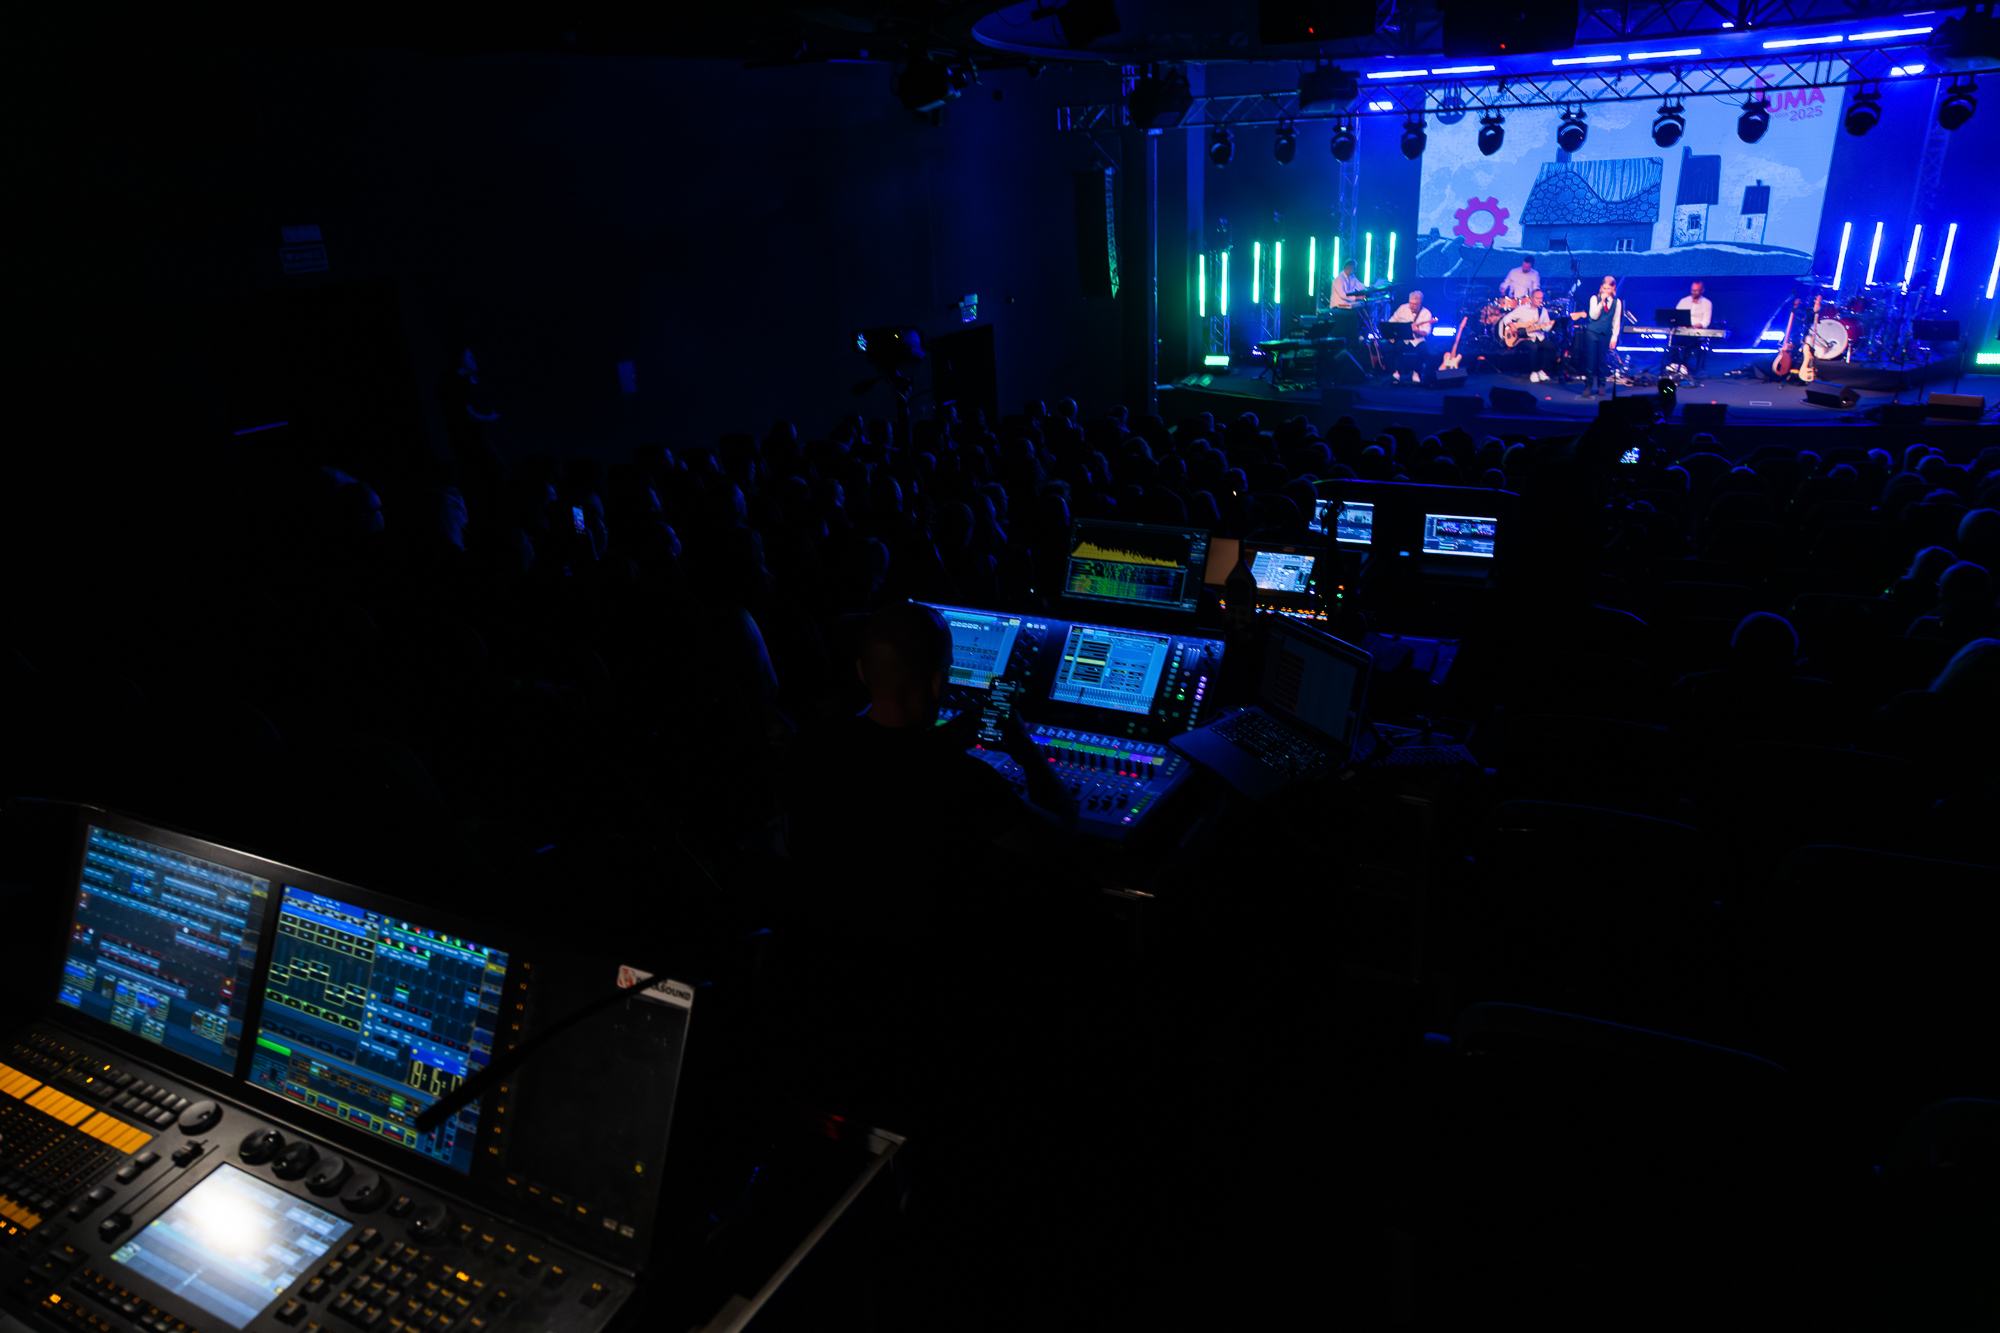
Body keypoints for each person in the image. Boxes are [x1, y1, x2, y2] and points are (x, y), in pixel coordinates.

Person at [1570, 275, 1621, 398]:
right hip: (1592, 332)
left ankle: (1601, 385)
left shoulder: (1617, 302)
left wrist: (1614, 337)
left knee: (1602, 361)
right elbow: (1593, 316)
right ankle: (1588, 386)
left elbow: (1616, 320)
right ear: (1601, 287)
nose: (1606, 291)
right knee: (1591, 360)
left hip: (1605, 334)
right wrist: (1601, 302)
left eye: (1608, 288)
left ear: (1613, 288)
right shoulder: (1594, 298)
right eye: (1604, 288)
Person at [1498, 289, 1558, 382]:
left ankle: (1541, 370)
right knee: (1534, 347)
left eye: (1541, 298)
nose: (1540, 300)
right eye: (1537, 298)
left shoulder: (1543, 311)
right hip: (1520, 337)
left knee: (1551, 348)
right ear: (1531, 299)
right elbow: (1506, 318)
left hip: (1537, 335)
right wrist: (1512, 325)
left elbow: (1546, 328)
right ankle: (1534, 372)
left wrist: (1553, 325)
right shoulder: (1522, 309)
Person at [1385, 290, 1436, 385]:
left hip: (1417, 339)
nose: (1412, 306)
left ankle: (1416, 372)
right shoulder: (1402, 308)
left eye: (1415, 304)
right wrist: (1392, 334)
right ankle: (1396, 372)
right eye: (1410, 303)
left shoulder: (1426, 313)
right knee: (1396, 348)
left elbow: (1426, 332)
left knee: (1424, 351)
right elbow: (1392, 321)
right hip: (1402, 337)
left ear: (1420, 303)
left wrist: (1417, 331)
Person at [1672, 279, 1714, 375]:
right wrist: (1679, 323)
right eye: (1692, 290)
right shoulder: (1684, 301)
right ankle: (1674, 364)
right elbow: (1675, 315)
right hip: (1682, 330)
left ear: (1702, 290)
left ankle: (1684, 366)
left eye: (1696, 290)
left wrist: (1692, 327)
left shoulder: (1707, 303)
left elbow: (1706, 322)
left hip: (1696, 332)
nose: (1694, 292)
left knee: (1689, 341)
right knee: (1673, 339)